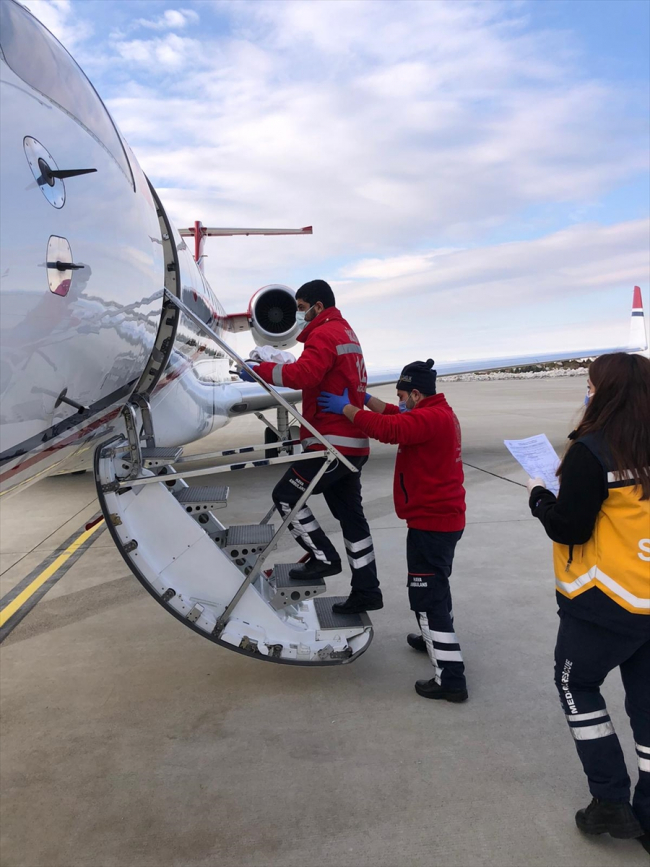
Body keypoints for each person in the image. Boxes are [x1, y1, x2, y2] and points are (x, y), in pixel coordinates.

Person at [526, 352, 650, 850]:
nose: (588, 393)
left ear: (607, 392)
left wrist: (540, 496)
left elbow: (568, 526)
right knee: (646, 705)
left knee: (576, 684)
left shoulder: (592, 449)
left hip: (605, 599)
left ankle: (610, 801)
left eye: (592, 385)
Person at [317, 359, 468, 702]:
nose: (398, 402)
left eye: (402, 396)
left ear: (416, 394)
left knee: (427, 596)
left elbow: (389, 430)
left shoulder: (429, 418)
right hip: (437, 521)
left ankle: (451, 679)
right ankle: (431, 637)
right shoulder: (434, 411)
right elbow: (394, 415)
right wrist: (363, 399)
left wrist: (347, 409)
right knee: (435, 587)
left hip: (432, 524)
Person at [242, 279, 382, 615]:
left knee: (286, 497)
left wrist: (259, 371)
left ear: (318, 307)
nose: (299, 317)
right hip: (351, 445)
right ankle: (367, 590)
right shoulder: (346, 333)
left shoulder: (325, 334)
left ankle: (323, 558)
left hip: (331, 445)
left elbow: (304, 375)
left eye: (302, 309)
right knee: (352, 520)